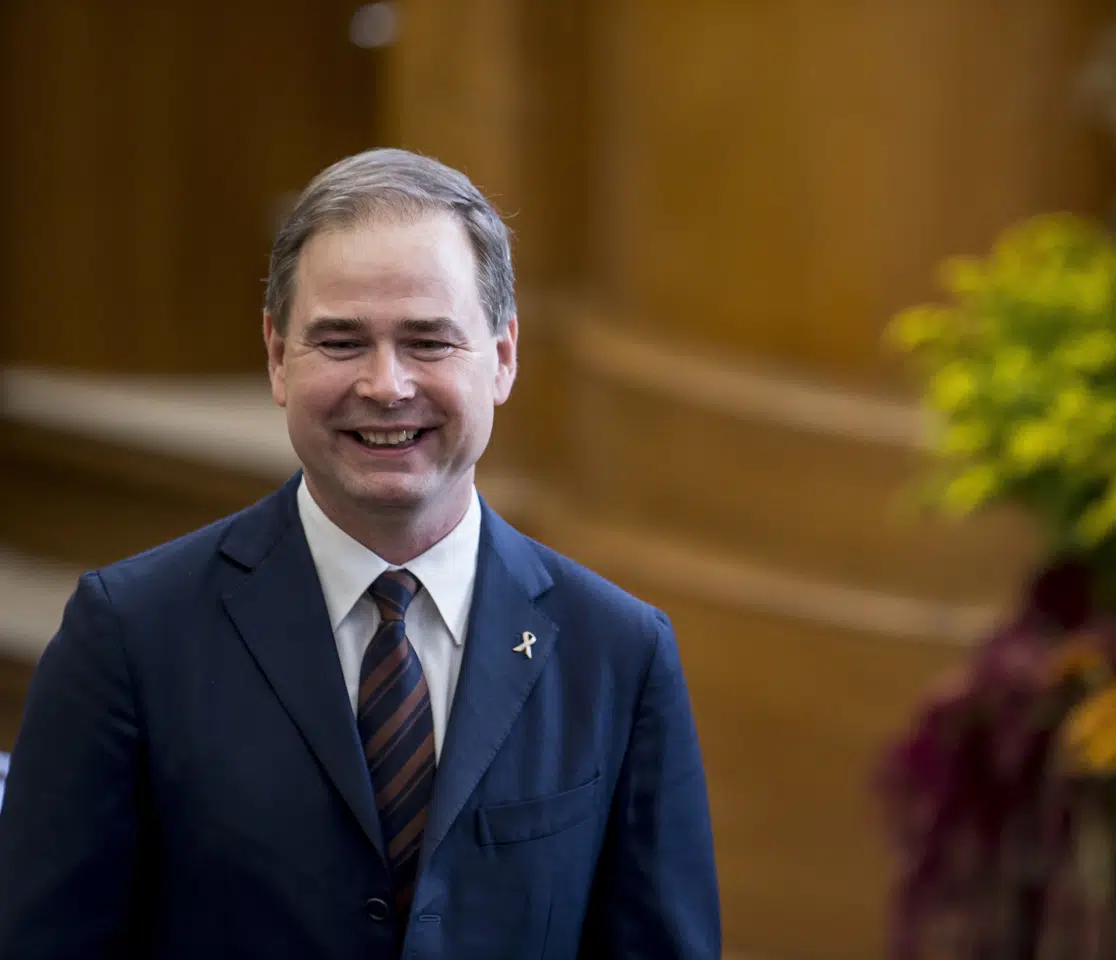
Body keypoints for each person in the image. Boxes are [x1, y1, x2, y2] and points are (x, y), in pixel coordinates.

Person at [0, 148, 722, 959]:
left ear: (503, 357)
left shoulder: (618, 653)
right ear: (277, 356)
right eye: (341, 341)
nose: (386, 385)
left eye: (428, 341)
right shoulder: (128, 636)